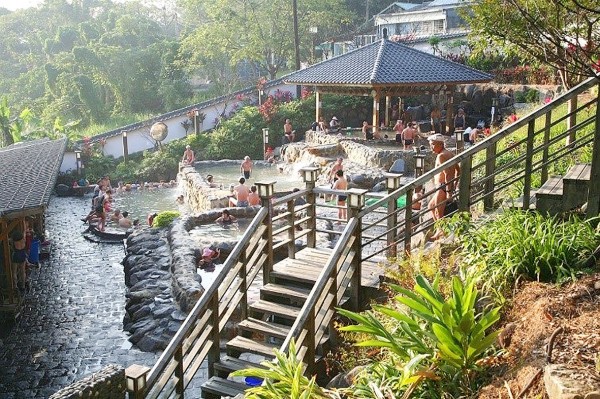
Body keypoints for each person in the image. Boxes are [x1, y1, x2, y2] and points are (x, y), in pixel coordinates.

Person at [427, 134, 460, 240]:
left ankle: (441, 232)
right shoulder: (449, 153)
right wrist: (454, 184)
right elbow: (458, 170)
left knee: (439, 211)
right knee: (431, 206)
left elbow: (447, 174)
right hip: (444, 186)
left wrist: (449, 190)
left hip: (443, 186)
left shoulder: (442, 156)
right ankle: (440, 230)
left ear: (440, 144)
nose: (431, 147)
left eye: (432, 145)